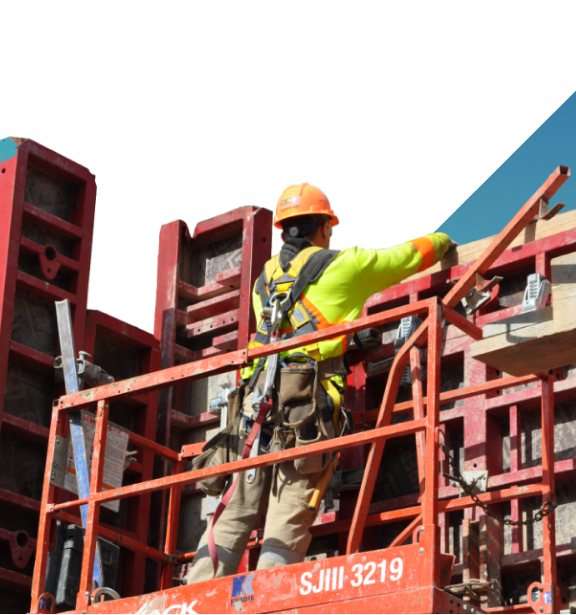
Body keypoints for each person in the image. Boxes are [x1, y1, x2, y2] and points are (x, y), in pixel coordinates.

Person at [186, 182, 452, 583]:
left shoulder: (265, 279)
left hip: (251, 417)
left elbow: (280, 342)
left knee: (231, 516)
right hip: (304, 420)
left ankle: (195, 596)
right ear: (325, 227)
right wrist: (445, 240)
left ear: (283, 230)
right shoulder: (344, 266)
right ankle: (265, 604)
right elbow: (408, 257)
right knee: (285, 521)